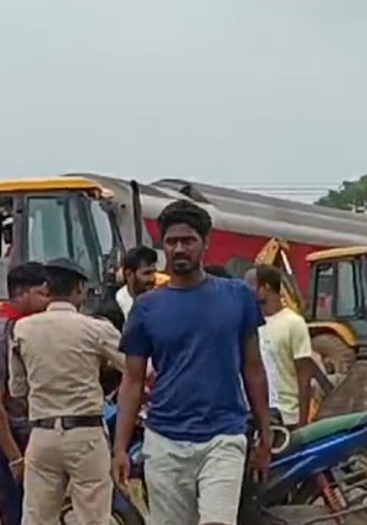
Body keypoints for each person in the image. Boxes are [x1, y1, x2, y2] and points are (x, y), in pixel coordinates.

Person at [112, 200, 272, 525]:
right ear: (163, 248)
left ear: (205, 244)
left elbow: (253, 367)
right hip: (163, 440)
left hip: (223, 435)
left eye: (188, 241)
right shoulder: (146, 309)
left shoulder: (238, 296)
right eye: (172, 242)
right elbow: (131, 380)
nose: (179, 249)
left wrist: (266, 432)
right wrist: (119, 448)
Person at [9, 259, 124, 525]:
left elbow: (17, 389)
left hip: (43, 432)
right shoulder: (95, 328)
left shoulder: (23, 329)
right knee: (93, 515)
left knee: (38, 515)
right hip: (85, 432)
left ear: (47, 289)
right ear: (80, 290)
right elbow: (135, 366)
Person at [0, 262, 49, 525]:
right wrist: (14, 458)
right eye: (41, 294)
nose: (47, 301)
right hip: (14, 441)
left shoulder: (32, 331)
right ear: (20, 293)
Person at [245, 265, 312, 428]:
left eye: (250, 286)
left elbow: (304, 378)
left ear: (265, 288)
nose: (246, 292)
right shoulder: (248, 323)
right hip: (255, 417)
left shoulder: (294, 323)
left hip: (287, 419)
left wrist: (302, 425)